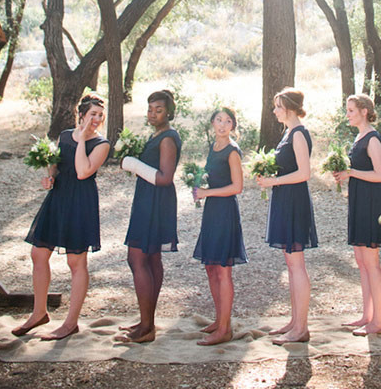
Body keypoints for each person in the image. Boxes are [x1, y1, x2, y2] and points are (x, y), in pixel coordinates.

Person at [12, 92, 110, 340]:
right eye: (92, 115)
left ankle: (70, 323)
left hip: (80, 202)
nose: (96, 119)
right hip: (58, 198)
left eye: (100, 115)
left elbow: (82, 171)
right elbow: (56, 166)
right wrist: (49, 177)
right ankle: (39, 313)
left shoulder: (102, 144)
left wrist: (83, 138)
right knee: (38, 253)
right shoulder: (66, 135)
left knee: (76, 262)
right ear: (81, 115)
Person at [116, 89, 181, 344]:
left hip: (157, 202)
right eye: (150, 109)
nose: (153, 113)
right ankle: (147, 322)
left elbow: (165, 178)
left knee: (137, 259)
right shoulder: (157, 134)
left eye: (159, 109)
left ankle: (146, 326)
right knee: (151, 259)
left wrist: (134, 165)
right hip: (148, 198)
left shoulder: (167, 138)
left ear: (169, 112)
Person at [256, 88, 318, 345]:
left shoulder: (299, 134)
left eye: (278, 107)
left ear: (290, 108)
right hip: (284, 198)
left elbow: (305, 173)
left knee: (297, 265)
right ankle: (294, 321)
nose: (274, 111)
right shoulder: (288, 133)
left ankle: (301, 328)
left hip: (294, 200)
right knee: (291, 265)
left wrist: (274, 180)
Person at [333, 94, 381, 337]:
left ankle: (378, 321)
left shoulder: (373, 138)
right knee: (361, 262)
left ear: (364, 111)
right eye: (347, 110)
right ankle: (367, 316)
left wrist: (352, 172)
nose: (347, 114)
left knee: (371, 263)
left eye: (351, 110)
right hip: (358, 201)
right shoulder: (358, 137)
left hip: (371, 203)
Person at [192, 107, 247, 346]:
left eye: (227, 121)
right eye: (218, 120)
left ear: (233, 125)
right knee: (211, 266)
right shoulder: (212, 148)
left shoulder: (232, 151)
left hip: (225, 212)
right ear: (212, 123)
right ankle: (218, 320)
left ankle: (225, 329)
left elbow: (237, 187)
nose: (223, 125)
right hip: (212, 212)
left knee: (223, 269)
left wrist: (207, 192)